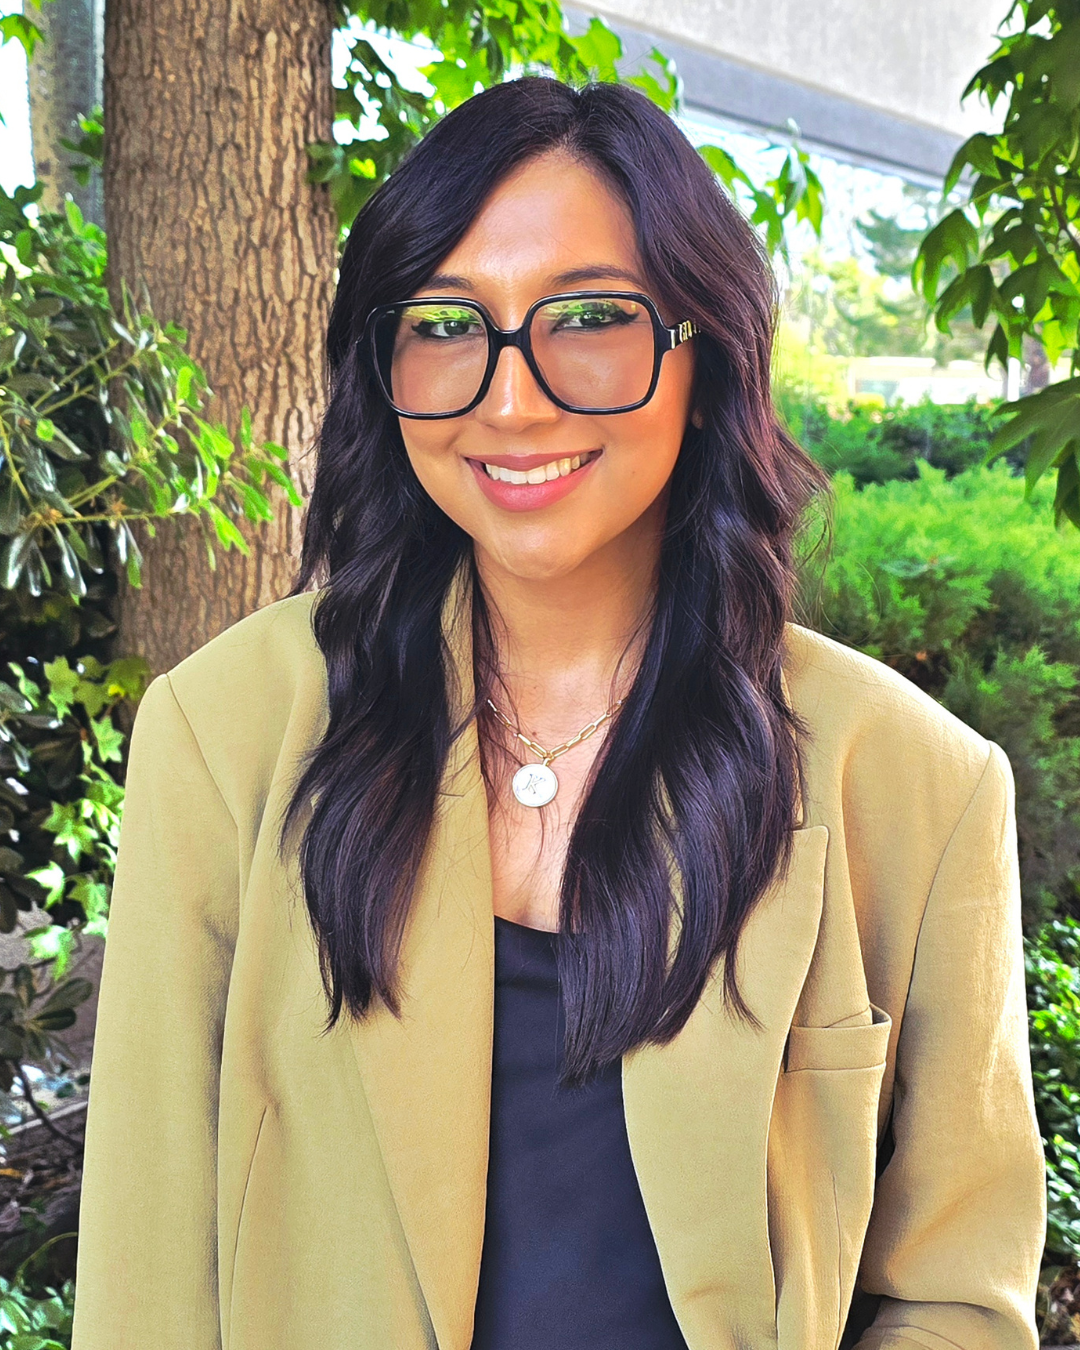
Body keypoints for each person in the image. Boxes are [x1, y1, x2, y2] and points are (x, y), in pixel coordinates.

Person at [71, 77, 1044, 1350]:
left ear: (706, 352)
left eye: (589, 317)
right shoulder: (225, 731)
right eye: (445, 324)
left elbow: (957, 1296)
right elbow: (145, 1272)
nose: (511, 399)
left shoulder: (913, 780)